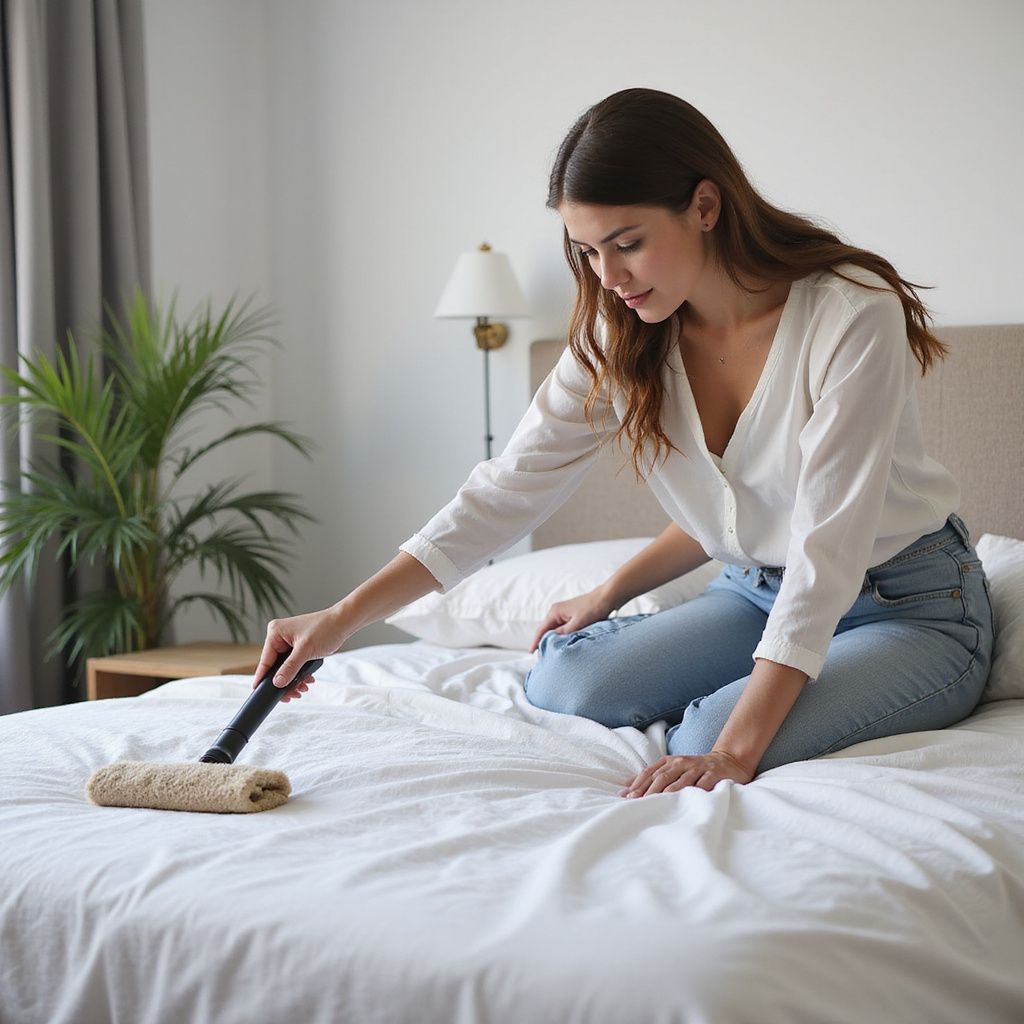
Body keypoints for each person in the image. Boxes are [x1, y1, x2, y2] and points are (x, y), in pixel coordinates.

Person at [252, 87, 993, 799]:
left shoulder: (848, 313)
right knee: (567, 683)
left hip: (907, 604)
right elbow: (509, 492)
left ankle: (787, 694)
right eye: (587, 252)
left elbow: (826, 548)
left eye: (627, 244)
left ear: (705, 205)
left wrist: (732, 751)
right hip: (755, 591)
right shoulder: (622, 333)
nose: (609, 278)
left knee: (706, 730)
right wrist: (340, 619)